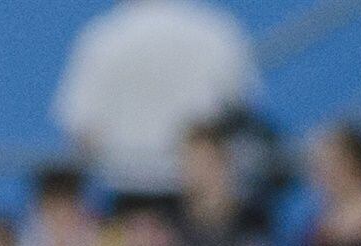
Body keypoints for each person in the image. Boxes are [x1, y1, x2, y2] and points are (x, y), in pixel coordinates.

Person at [53, 0, 255, 201]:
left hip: (127, 195)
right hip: (196, 193)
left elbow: (84, 132)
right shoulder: (217, 30)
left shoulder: (102, 38)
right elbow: (243, 112)